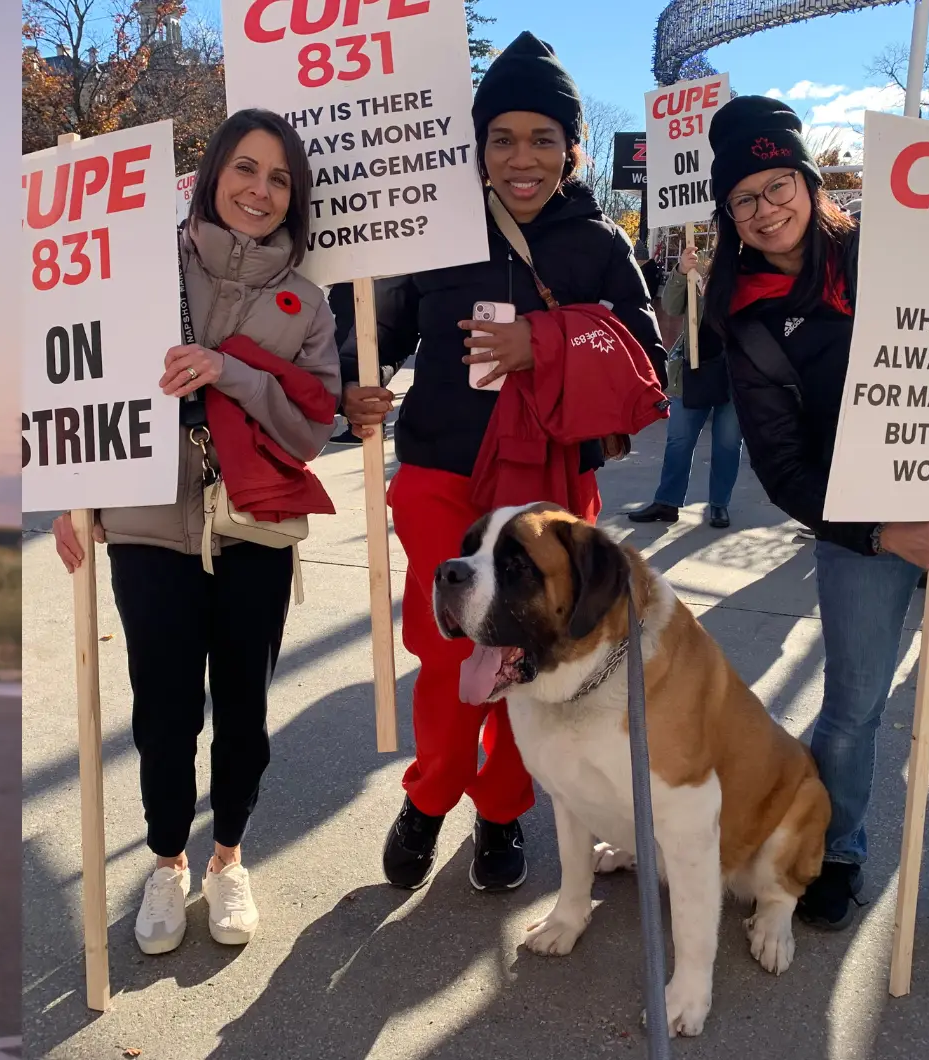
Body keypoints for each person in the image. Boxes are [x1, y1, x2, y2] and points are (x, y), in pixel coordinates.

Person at [703, 94, 929, 978]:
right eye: (745, 197)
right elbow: (781, 468)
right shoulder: (746, 316)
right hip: (863, 528)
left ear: (810, 184)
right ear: (728, 216)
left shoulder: (901, 247)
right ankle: (836, 849)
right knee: (853, 709)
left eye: (780, 183)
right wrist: (885, 534)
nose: (767, 207)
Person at [336, 32, 668, 894]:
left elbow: (647, 363)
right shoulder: (430, 226)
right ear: (477, 146)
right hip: (443, 476)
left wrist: (545, 343)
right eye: (502, 138)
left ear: (571, 146)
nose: (522, 159)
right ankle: (431, 793)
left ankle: (500, 810)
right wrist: (352, 385)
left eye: (543, 138)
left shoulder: (600, 244)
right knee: (452, 655)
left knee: (526, 660)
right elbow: (376, 331)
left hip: (549, 494)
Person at [52, 108, 340, 955]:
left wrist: (234, 374)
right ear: (213, 173)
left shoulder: (309, 305)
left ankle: (228, 859)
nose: (259, 189)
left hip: (254, 529)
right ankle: (169, 861)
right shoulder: (132, 269)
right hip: (147, 531)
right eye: (245, 168)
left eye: (279, 178)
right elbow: (73, 378)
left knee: (243, 715)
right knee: (165, 716)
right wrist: (77, 501)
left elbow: (308, 431)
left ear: (295, 198)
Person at [627, 241, 743, 528]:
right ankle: (667, 502)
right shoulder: (699, 266)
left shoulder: (757, 273)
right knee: (679, 440)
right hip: (694, 370)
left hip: (736, 375)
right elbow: (670, 305)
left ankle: (718, 505)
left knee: (728, 444)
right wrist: (681, 270)